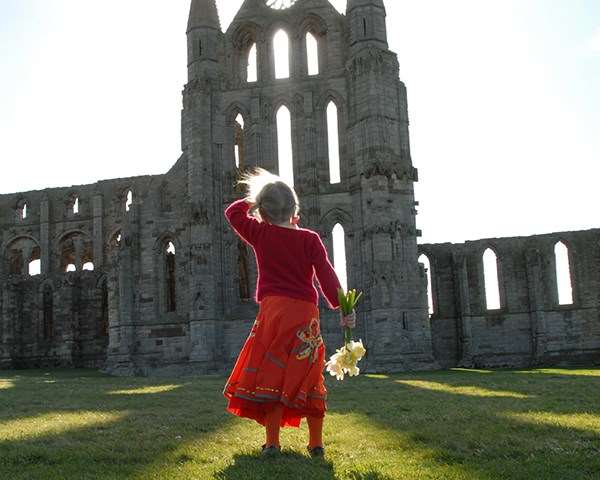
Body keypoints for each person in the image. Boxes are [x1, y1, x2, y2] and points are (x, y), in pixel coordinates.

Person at [222, 168, 356, 458]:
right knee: (308, 373)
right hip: (305, 314)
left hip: (274, 313)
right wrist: (343, 308)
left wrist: (254, 204)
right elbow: (327, 276)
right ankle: (316, 444)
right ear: (296, 209)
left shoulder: (261, 233)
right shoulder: (309, 239)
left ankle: (272, 443)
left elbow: (232, 213)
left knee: (275, 371)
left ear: (263, 212)